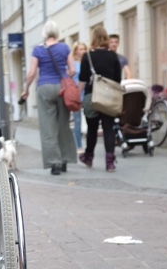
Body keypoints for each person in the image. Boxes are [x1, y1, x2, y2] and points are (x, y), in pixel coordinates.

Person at [20, 20, 77, 176]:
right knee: (63, 125)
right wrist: (65, 77)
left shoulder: (38, 50)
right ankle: (65, 159)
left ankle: (54, 164)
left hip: (44, 88)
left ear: (44, 33)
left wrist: (26, 90)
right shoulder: (65, 47)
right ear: (57, 32)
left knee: (48, 128)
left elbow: (31, 73)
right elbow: (72, 70)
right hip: (62, 88)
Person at [79, 26, 122, 172]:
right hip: (109, 97)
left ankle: (88, 157)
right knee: (108, 128)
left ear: (93, 38)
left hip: (92, 97)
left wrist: (78, 97)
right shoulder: (113, 56)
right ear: (106, 38)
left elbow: (83, 79)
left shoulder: (88, 56)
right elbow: (118, 79)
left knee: (92, 129)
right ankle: (109, 162)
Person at [71, 42, 87, 153]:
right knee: (77, 121)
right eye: (80, 49)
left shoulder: (89, 63)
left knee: (91, 120)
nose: (82, 51)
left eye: (84, 49)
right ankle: (79, 146)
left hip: (87, 95)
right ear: (76, 51)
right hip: (76, 95)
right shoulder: (73, 64)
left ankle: (89, 144)